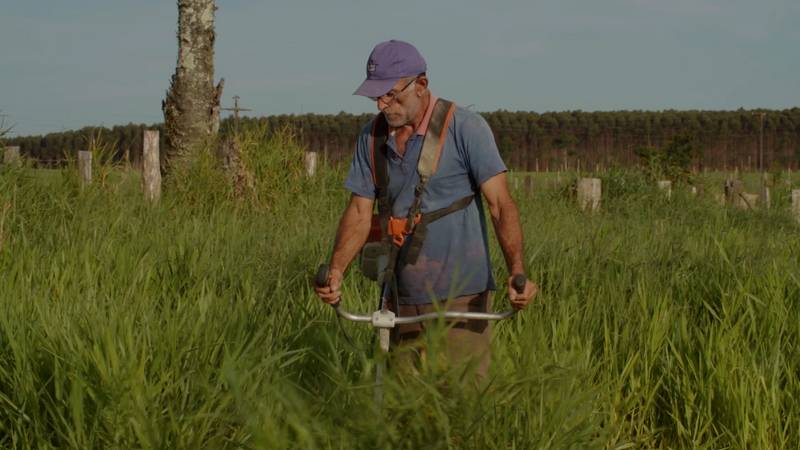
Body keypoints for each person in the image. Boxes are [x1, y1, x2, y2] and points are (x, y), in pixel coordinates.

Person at [314, 39, 538, 377]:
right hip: (401, 298)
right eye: (376, 96)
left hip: (462, 300)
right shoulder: (370, 138)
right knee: (406, 414)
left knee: (463, 409)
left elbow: (500, 205)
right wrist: (335, 271)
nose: (382, 105)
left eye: (391, 94)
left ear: (421, 85)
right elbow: (360, 214)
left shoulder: (465, 128)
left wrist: (517, 273)